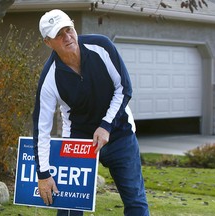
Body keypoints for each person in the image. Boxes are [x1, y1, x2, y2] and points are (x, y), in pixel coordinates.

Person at [33, 9, 150, 216]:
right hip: (78, 141)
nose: (67, 37)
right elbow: (41, 130)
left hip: (119, 133)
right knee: (69, 207)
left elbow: (124, 88)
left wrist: (106, 125)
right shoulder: (49, 78)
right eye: (58, 34)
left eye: (68, 29)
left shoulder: (101, 46)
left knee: (135, 202)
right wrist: (43, 174)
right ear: (48, 42)